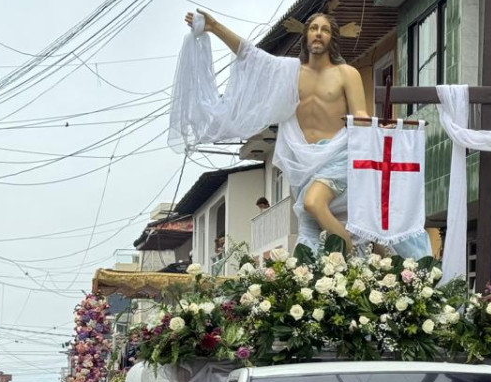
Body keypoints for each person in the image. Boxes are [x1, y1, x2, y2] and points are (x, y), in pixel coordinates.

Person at [179, 10, 432, 259]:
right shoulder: (290, 74)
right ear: (306, 36)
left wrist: (379, 132)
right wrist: (214, 26)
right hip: (302, 162)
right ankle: (314, 281)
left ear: (333, 38)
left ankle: (351, 247)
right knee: (308, 235)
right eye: (313, 28)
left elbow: (360, 117)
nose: (318, 34)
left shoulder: (346, 73)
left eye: (325, 30)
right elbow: (251, 55)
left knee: (314, 202)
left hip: (339, 155)